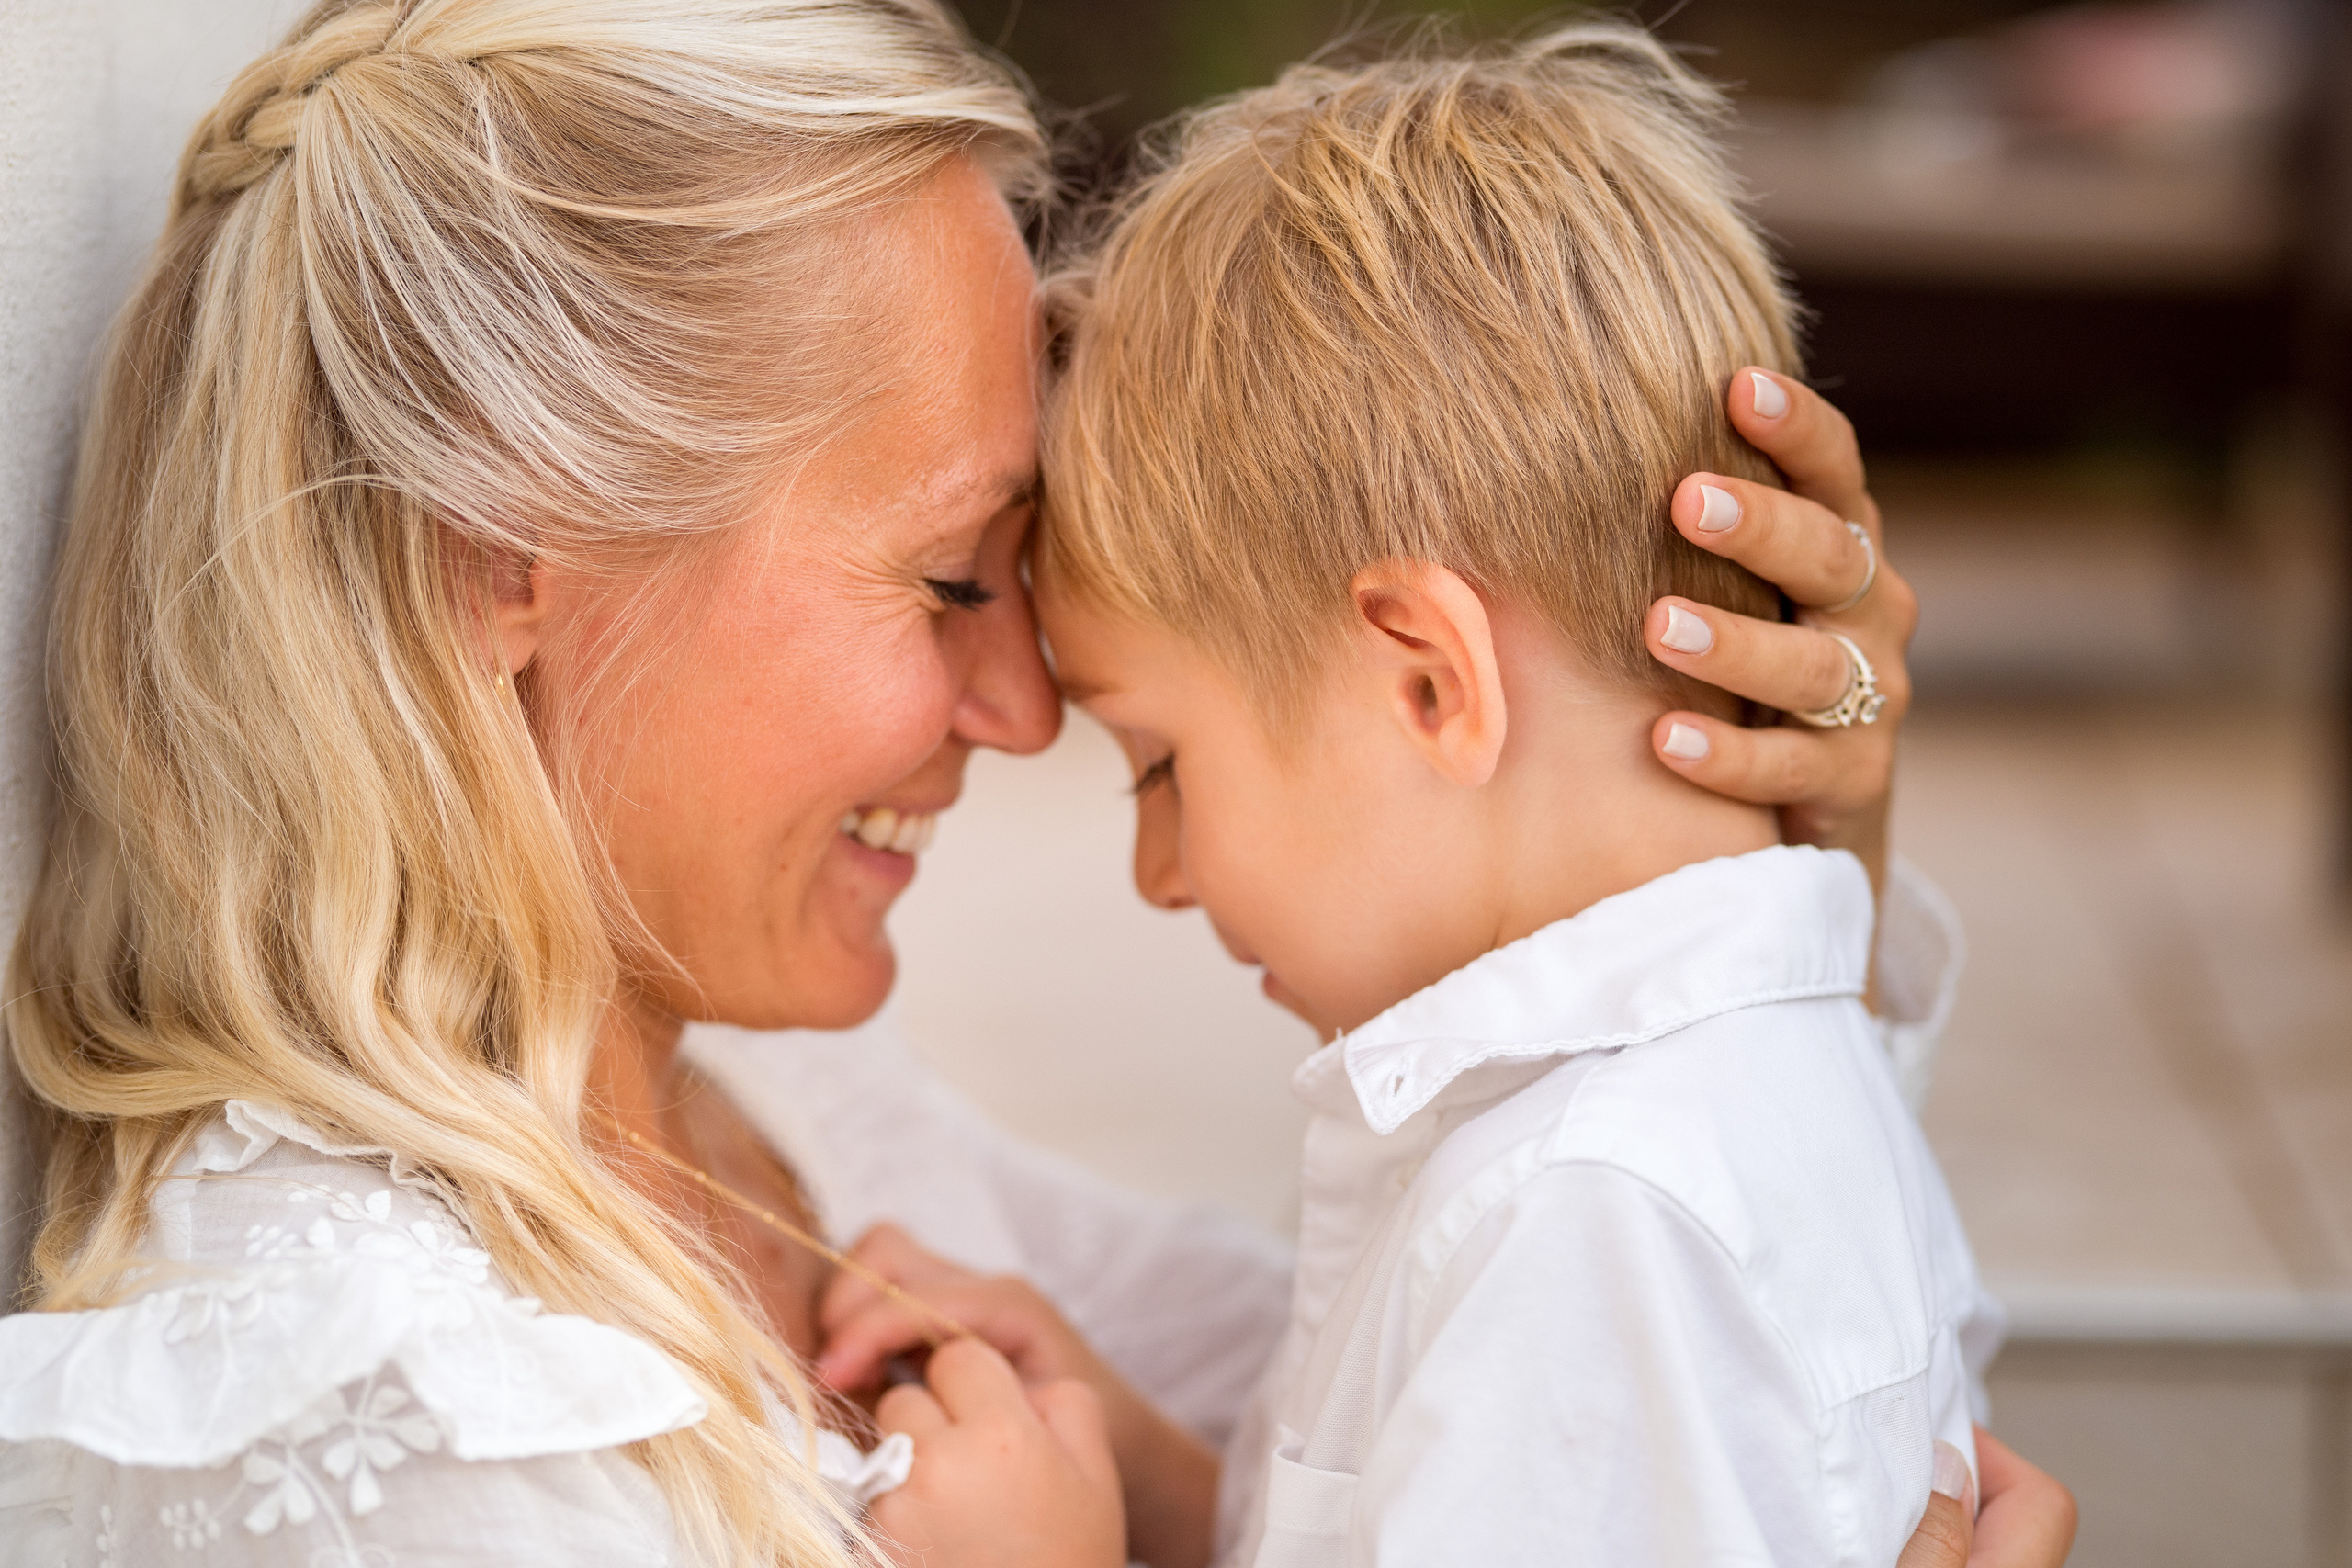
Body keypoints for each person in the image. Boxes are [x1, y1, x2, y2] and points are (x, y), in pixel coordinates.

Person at [0, 2, 2074, 1565]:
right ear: (502, 557)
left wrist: (1755, 866)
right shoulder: (397, 1421)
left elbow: (1431, 1393)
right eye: (944, 571)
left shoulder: (796, 1104)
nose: (1019, 713)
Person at [815, 25, 1997, 1567]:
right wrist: (1167, 1484)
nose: (1157, 875)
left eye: (1161, 764)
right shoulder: (1704, 1107)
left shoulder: (1592, 1226)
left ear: (1429, 677)